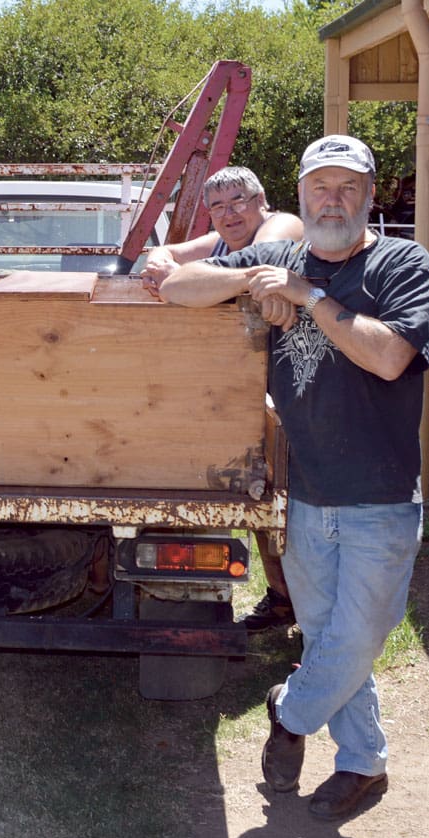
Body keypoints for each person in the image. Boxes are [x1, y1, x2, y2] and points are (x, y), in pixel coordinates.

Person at [160, 135, 429, 821]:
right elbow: (174, 284)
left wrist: (309, 296)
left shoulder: (403, 264)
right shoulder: (280, 256)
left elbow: (387, 355)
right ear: (303, 195)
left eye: (348, 187)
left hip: (380, 495)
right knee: (325, 636)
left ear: (370, 196)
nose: (333, 200)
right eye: (321, 187)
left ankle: (289, 711)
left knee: (358, 636)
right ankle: (363, 762)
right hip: (308, 495)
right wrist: (253, 284)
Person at [142, 166, 304, 634]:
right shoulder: (218, 243)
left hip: (298, 388)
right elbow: (165, 254)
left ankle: (311, 610)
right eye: (218, 206)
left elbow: (260, 261)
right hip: (250, 390)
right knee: (256, 495)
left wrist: (188, 282)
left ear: (262, 201)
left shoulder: (282, 226)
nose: (230, 214)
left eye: (239, 201)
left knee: (289, 505)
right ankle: (282, 600)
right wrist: (161, 260)